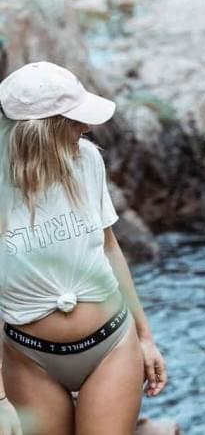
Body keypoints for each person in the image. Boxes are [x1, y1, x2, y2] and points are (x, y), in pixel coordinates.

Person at [0, 62, 167, 435]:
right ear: (42, 131)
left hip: (111, 346)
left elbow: (109, 248)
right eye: (74, 120)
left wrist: (145, 336)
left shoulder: (88, 160)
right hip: (29, 358)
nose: (87, 128)